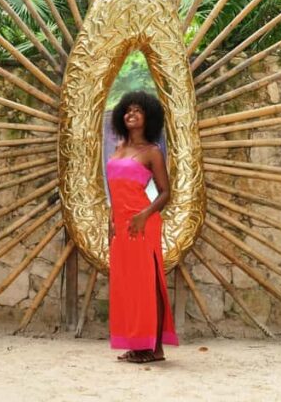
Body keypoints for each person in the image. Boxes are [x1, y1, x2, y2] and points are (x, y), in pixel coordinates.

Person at [107, 91, 178, 363]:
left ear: (148, 117)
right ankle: (138, 344)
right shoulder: (117, 150)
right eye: (127, 110)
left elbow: (164, 193)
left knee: (150, 284)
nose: (131, 114)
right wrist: (110, 220)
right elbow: (116, 190)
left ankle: (156, 348)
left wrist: (144, 215)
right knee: (129, 287)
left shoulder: (152, 152)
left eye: (138, 110)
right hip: (121, 226)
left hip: (143, 224)